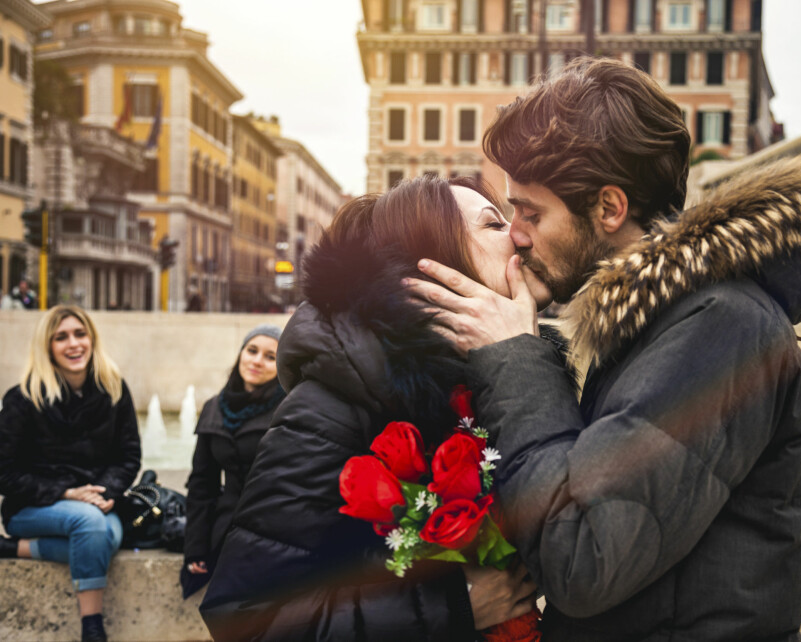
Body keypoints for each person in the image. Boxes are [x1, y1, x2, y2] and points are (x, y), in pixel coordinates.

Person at [407, 57, 801, 640]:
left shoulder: (720, 326)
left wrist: (514, 355)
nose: (517, 233)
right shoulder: (659, 320)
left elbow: (583, 560)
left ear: (610, 209)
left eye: (531, 212)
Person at [199, 175, 547, 640]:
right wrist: (451, 607)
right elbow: (242, 616)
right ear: (436, 265)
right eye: (494, 224)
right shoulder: (334, 402)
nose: (520, 234)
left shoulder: (508, 377)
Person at [0, 305, 141, 642]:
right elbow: (5, 472)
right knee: (91, 527)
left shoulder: (114, 389)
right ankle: (92, 627)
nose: (74, 344)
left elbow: (129, 456)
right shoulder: (22, 399)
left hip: (96, 502)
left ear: (92, 338)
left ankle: (15, 549)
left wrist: (106, 491)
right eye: (61, 337)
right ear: (47, 347)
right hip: (32, 508)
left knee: (104, 537)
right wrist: (66, 493)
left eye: (80, 334)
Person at [180, 324, 286, 599]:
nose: (257, 361)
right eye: (252, 351)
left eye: (270, 357)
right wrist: (195, 548)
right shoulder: (214, 407)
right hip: (225, 526)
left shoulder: (290, 408)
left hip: (275, 528)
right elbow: (202, 483)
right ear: (241, 353)